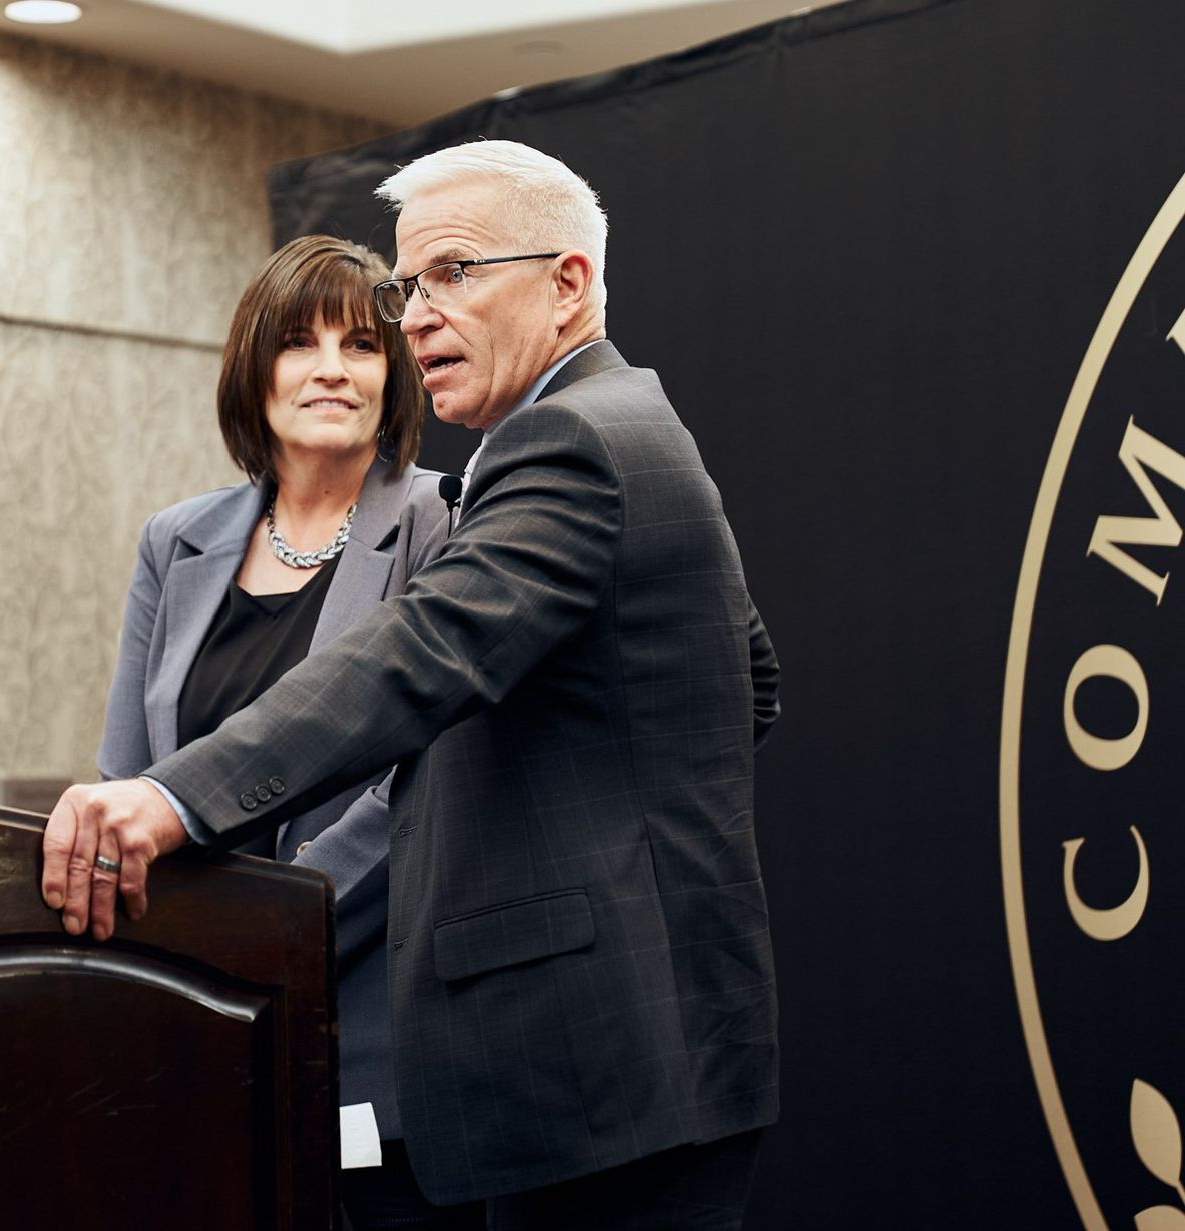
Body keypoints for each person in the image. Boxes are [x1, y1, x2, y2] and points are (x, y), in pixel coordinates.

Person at [42, 140, 781, 1228]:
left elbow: (423, 651)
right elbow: (745, 682)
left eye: (453, 274)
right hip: (633, 1047)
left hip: (608, 1049)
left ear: (568, 282)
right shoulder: (617, 422)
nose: (417, 312)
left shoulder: (572, 439)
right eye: (409, 283)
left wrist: (172, 799)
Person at [95, 233, 455, 1228]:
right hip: (197, 1013)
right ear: (255, 368)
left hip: (370, 1016)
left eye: (363, 346)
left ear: (400, 379)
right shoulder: (178, 540)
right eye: (300, 342)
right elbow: (131, 768)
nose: (331, 369)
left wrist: (269, 924)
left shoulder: (442, 525)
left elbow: (421, 788)